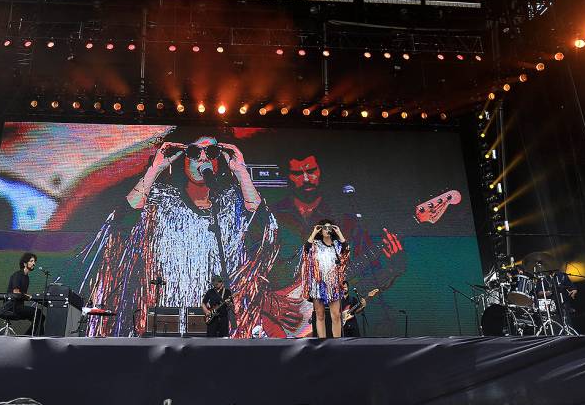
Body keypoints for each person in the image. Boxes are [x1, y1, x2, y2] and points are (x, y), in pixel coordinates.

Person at [84, 136, 278, 337]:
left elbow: (263, 231)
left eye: (211, 153)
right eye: (194, 153)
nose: (203, 159)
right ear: (183, 159)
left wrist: (242, 173)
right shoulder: (158, 202)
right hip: (167, 321)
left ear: (219, 160)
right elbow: (121, 226)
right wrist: (155, 170)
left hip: (216, 322)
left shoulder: (233, 203)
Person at [262, 152, 404, 337]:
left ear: (321, 172)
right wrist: (268, 303)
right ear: (287, 176)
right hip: (285, 314)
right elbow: (246, 272)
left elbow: (370, 275)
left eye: (311, 171)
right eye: (297, 173)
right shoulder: (270, 215)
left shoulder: (346, 221)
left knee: (335, 318)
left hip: (336, 301)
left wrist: (395, 266)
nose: (306, 178)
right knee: (319, 316)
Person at [303, 219, 348, 338]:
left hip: (333, 284)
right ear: (321, 230)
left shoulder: (336, 245)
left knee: (336, 315)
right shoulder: (315, 245)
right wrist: (314, 232)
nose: (327, 230)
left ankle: (337, 342)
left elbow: (346, 251)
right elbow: (306, 250)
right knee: (320, 314)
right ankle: (322, 342)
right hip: (318, 284)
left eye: (329, 228)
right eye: (324, 228)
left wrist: (339, 233)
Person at [6, 252, 44, 335]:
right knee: (39, 314)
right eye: (31, 261)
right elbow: (16, 292)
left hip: (19, 306)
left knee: (40, 316)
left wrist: (30, 296)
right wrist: (30, 296)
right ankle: (28, 337)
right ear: (24, 263)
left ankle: (31, 336)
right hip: (12, 306)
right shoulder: (18, 275)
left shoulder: (26, 278)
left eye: (34, 261)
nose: (34, 263)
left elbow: (23, 294)